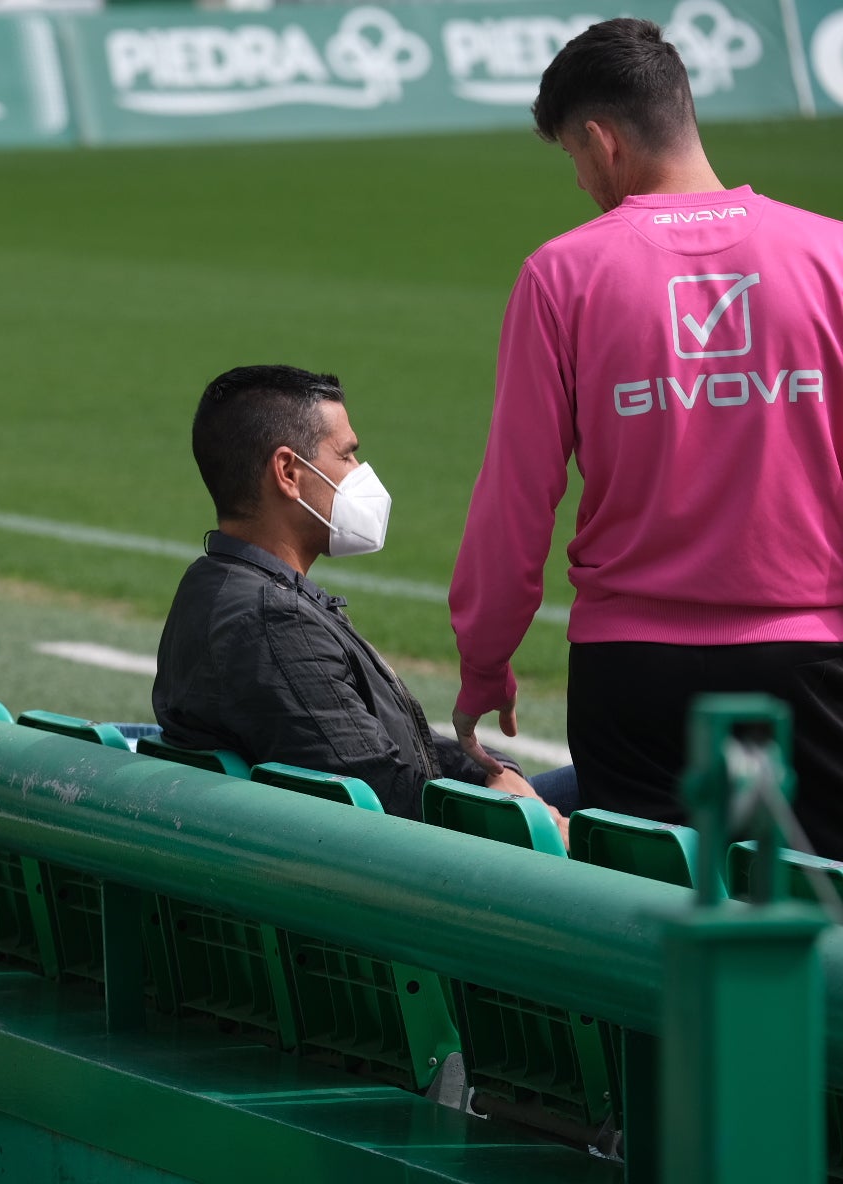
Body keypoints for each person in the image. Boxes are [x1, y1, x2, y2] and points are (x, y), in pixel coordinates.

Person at [449, 18, 843, 856]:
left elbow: (517, 495)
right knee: (818, 909)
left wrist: (486, 659)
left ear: (602, 140)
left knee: (644, 912)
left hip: (633, 669)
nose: (582, 178)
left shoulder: (561, 273)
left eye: (573, 157)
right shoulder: (832, 257)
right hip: (810, 658)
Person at [153, 365, 575, 830]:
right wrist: (520, 814)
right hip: (419, 861)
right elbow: (388, 797)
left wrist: (488, 773)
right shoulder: (272, 622)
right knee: (635, 796)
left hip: (369, 841)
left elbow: (377, 751)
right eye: (347, 455)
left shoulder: (221, 583)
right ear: (288, 472)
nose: (360, 473)